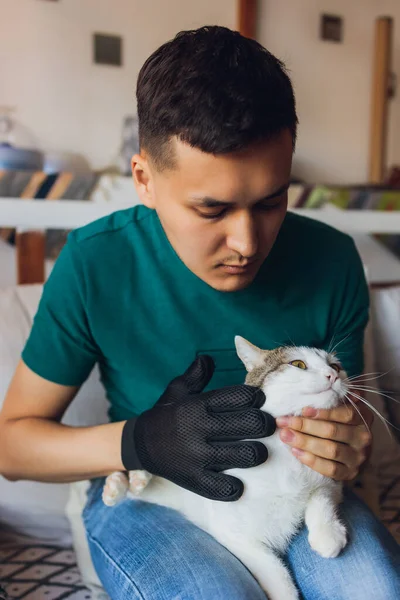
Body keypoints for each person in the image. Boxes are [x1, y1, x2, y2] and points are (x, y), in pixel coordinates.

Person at [0, 25, 399, 600]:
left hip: (291, 487)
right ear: (145, 179)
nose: (246, 241)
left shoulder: (332, 260)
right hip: (149, 490)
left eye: (270, 202)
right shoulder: (95, 262)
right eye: (211, 209)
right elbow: (12, 446)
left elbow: (352, 418)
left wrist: (350, 444)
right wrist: (142, 442)